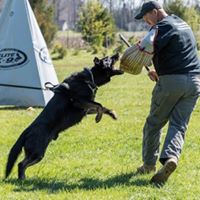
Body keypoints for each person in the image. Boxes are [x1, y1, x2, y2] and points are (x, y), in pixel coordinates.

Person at [134, 1, 200, 185]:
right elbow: (175, 51)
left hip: (172, 81)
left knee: (154, 123)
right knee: (179, 124)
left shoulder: (159, 28)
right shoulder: (182, 23)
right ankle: (171, 157)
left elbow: (143, 51)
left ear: (155, 12)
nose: (147, 22)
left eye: (146, 17)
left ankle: (148, 165)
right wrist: (158, 71)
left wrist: (137, 53)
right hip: (195, 81)